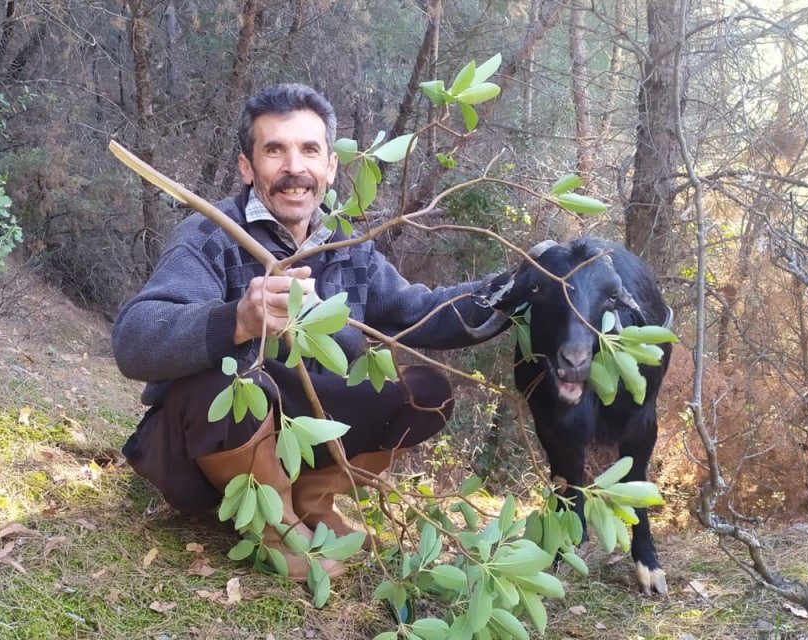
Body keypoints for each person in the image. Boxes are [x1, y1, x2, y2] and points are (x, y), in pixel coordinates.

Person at [112, 83, 511, 582]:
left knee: (426, 392)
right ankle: (276, 529)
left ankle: (310, 497)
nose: (293, 168)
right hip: (192, 457)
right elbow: (133, 338)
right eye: (274, 149)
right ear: (247, 167)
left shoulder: (348, 248)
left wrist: (514, 290)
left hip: (299, 436)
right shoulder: (209, 234)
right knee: (235, 378)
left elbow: (421, 312)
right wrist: (237, 319)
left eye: (309, 150)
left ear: (330, 167)